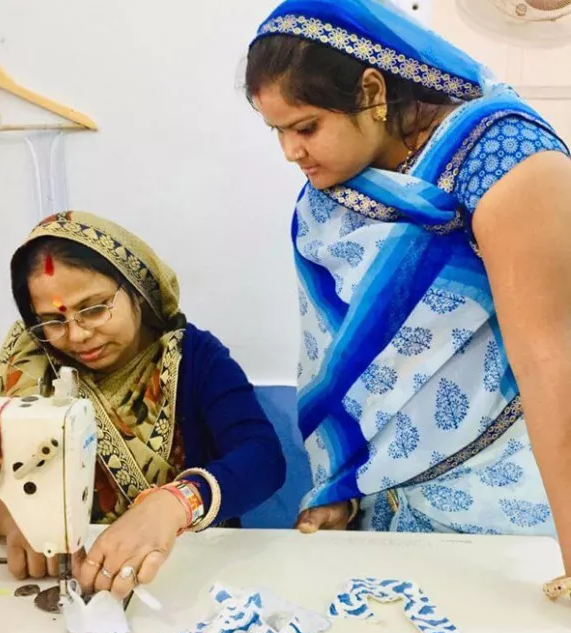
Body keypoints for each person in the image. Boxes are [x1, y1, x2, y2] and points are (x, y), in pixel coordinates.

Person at [245, 0, 571, 575]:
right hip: (384, 515)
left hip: (508, 514)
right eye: (276, 131)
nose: (289, 152)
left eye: (305, 127)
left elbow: (555, 370)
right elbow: (342, 363)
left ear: (372, 92)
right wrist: (339, 485)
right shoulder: (331, 197)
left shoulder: (502, 159)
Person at [0, 211, 285, 598]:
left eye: (94, 308)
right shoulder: (26, 363)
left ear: (136, 289)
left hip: (183, 580)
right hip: (60, 577)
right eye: (52, 320)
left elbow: (262, 458)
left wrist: (175, 503)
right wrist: (10, 516)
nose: (77, 335)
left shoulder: (195, 359)